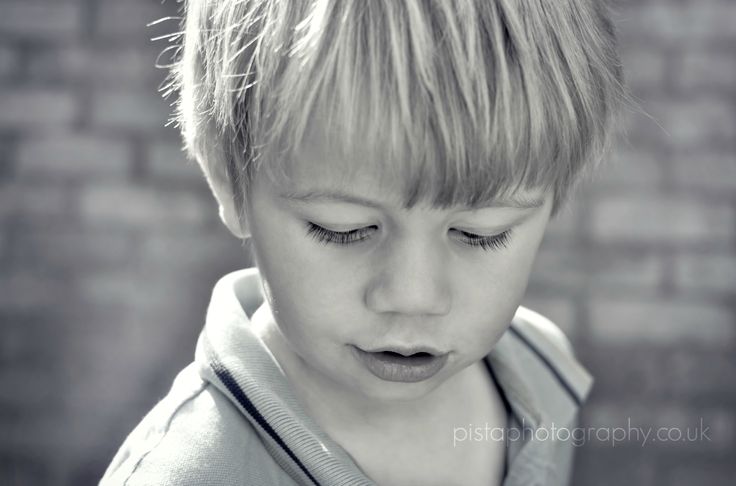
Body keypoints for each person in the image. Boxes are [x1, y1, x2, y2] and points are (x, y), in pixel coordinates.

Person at [101, 0, 627, 484]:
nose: (413, 296)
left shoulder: (542, 372)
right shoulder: (185, 475)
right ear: (227, 181)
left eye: (480, 232)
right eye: (343, 228)